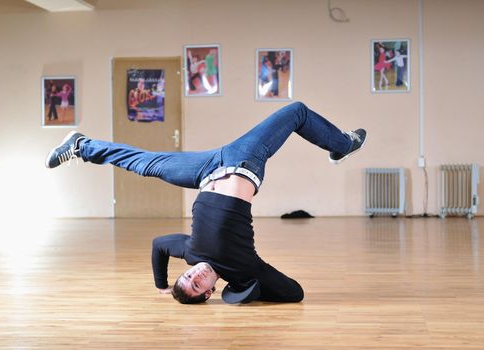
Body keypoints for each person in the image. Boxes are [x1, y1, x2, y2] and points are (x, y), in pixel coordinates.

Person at [45, 102, 367, 304]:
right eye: (196, 286)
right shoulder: (243, 270)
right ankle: (342, 144)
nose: (192, 278)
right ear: (210, 292)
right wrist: (243, 290)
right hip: (243, 161)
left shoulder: (189, 252)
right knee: (296, 111)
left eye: (185, 278)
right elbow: (294, 292)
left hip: (205, 171)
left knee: (146, 164)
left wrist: (163, 286)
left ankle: (81, 145)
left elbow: (159, 246)